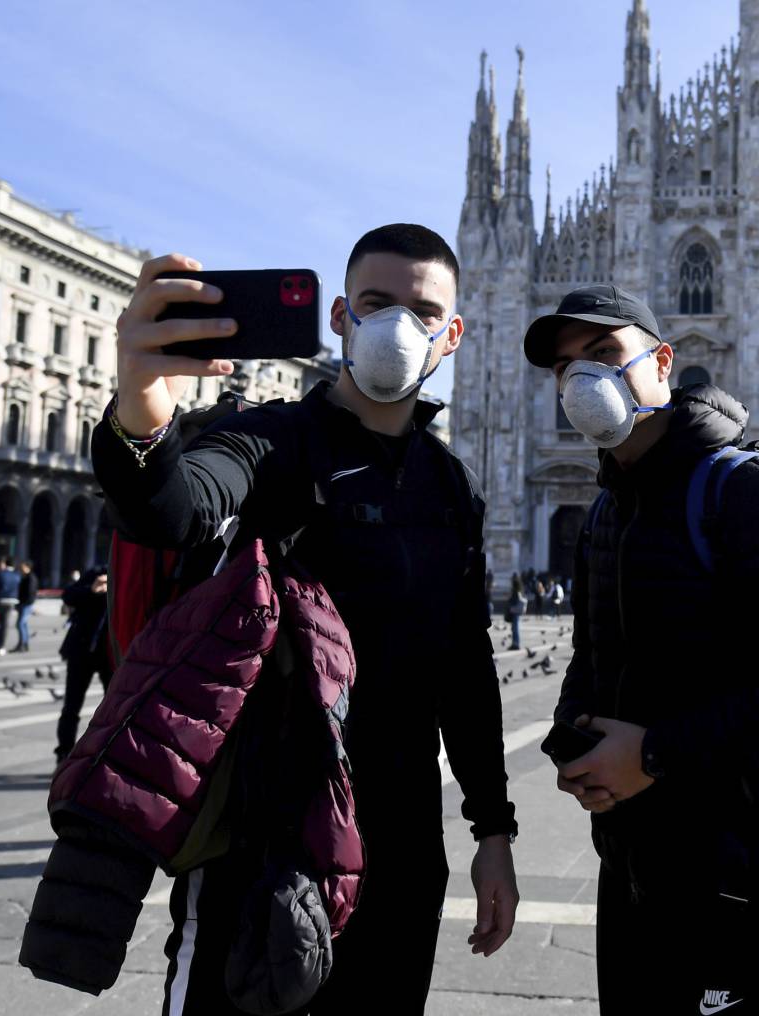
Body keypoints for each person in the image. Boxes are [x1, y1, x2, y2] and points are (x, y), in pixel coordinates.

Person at [76, 230, 519, 1013]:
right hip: (266, 831)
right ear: (343, 317)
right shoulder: (270, 442)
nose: (399, 328)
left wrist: (493, 831)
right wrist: (142, 405)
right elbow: (171, 507)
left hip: (403, 838)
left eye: (424, 312)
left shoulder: (449, 484)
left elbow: (464, 666)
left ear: (451, 338)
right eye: (379, 306)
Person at [531, 283, 759, 1014]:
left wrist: (654, 754)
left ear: (663, 362)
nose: (582, 380)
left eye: (602, 355)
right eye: (564, 369)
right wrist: (579, 743)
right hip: (634, 865)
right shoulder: (608, 507)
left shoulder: (746, 488)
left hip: (742, 875)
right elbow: (592, 665)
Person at [53, 568, 112, 764]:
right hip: (81, 649)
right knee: (71, 705)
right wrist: (91, 590)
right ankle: (64, 753)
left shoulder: (131, 575)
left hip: (111, 653)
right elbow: (68, 596)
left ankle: (108, 752)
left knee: (113, 708)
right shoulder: (97, 572)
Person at [13, 560, 37, 653]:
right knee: (23, 624)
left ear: (27, 567)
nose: (20, 568)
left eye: (22, 567)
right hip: (23, 604)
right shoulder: (25, 577)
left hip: (26, 604)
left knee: (20, 624)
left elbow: (30, 593)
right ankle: (24, 644)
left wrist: (26, 603)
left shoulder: (31, 578)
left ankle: (22, 644)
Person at [506, 574, 528, 651]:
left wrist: (509, 600)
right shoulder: (519, 590)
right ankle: (515, 643)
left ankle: (516, 644)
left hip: (514, 611)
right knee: (515, 628)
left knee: (515, 629)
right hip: (516, 611)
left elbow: (514, 601)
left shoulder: (515, 591)